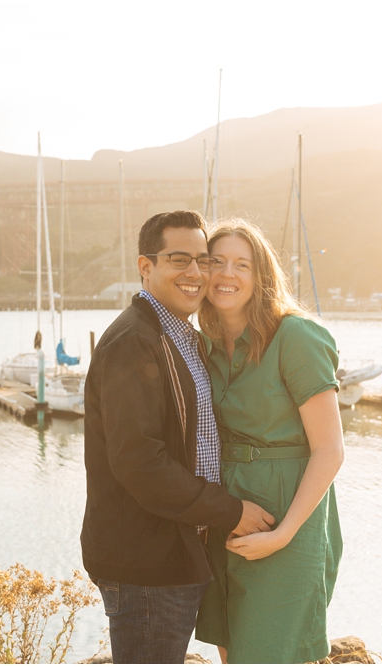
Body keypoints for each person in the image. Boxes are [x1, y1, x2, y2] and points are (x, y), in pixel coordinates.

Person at [81, 210, 277, 664]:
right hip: (147, 560)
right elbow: (140, 462)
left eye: (203, 260)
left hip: (170, 552)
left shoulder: (178, 336)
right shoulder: (134, 341)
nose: (195, 273)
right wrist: (230, 511)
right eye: (179, 259)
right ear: (145, 267)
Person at [194, 219, 345, 664]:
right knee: (233, 650)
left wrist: (283, 535)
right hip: (227, 514)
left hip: (287, 514)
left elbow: (330, 450)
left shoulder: (295, 337)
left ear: (261, 277)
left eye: (242, 264)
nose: (227, 274)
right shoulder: (204, 345)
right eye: (217, 261)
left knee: (271, 652)